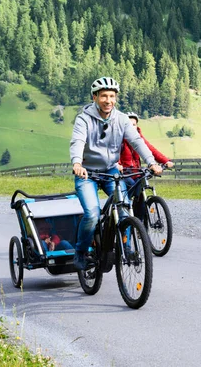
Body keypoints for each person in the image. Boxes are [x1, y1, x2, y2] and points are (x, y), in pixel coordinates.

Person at [70, 77, 163, 270]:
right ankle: (80, 252)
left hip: (112, 171)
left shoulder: (121, 119)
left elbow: (137, 141)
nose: (108, 100)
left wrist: (152, 162)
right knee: (93, 213)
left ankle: (127, 247)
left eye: (112, 96)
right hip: (87, 173)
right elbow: (78, 141)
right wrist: (77, 163)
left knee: (124, 207)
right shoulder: (83, 119)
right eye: (103, 96)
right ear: (95, 97)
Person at [117, 112, 174, 198]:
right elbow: (114, 153)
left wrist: (165, 161)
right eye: (129, 125)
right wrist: (118, 165)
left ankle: (142, 210)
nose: (132, 127)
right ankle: (124, 206)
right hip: (123, 173)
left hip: (136, 172)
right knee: (132, 186)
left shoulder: (139, 138)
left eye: (134, 125)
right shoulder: (118, 138)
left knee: (141, 190)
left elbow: (151, 150)